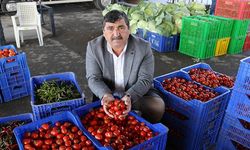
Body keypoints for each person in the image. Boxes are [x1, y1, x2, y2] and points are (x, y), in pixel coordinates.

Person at [85, 10, 165, 123]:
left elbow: (145, 79)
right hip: (108, 93)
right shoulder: (93, 47)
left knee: (157, 107)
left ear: (129, 30)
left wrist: (129, 96)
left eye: (121, 27)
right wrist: (105, 95)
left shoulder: (143, 47)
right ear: (104, 32)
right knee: (99, 122)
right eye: (110, 28)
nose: (116, 33)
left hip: (134, 91)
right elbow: (93, 78)